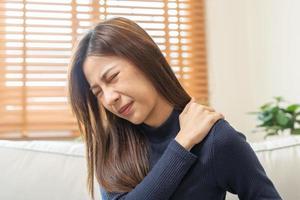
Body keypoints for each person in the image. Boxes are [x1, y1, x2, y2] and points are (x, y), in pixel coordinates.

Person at [68, 17, 282, 200]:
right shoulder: (112, 147)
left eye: (113, 77)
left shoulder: (216, 140)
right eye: (98, 92)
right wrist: (182, 144)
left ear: (145, 60)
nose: (109, 98)